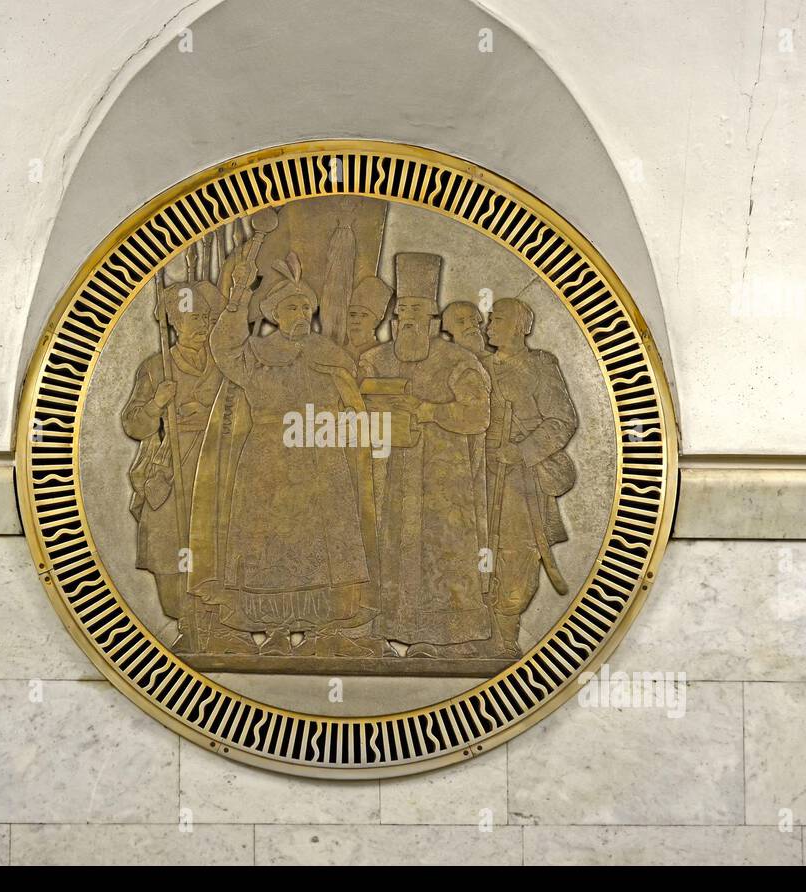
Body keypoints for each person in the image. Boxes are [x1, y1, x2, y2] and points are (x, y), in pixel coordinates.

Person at [189, 251, 377, 655]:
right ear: (274, 313)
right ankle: (272, 630)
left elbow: (352, 401)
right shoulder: (255, 356)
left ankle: (324, 633)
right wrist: (238, 298)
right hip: (267, 460)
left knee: (323, 548)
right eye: (292, 305)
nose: (301, 312)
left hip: (322, 460)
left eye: (306, 306)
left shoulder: (329, 356)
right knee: (270, 546)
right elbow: (223, 347)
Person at [359, 253, 492, 657]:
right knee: (387, 547)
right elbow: (351, 410)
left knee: (445, 550)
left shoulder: (458, 362)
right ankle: (382, 632)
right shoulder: (372, 360)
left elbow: (479, 414)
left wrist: (431, 411)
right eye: (401, 314)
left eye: (417, 314)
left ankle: (449, 639)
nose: (407, 322)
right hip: (388, 478)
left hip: (443, 483)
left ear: (434, 321)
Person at [122, 278, 224, 625]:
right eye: (194, 318)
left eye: (207, 319)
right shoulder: (155, 368)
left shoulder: (224, 364)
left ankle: (217, 622)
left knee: (217, 545)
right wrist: (156, 404)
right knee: (170, 551)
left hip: (216, 465)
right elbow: (133, 425)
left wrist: (208, 411)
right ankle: (184, 620)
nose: (202, 326)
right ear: (175, 323)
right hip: (170, 467)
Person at [482, 298, 579, 656]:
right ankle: (476, 631)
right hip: (479, 476)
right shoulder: (477, 366)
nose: (491, 324)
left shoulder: (540, 365)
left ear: (522, 326)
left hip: (523, 482)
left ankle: (505, 636)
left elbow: (561, 421)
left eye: (500, 319)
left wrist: (522, 452)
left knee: (517, 553)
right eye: (491, 318)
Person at [345, 275, 393, 359]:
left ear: (376, 322)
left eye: (364, 315)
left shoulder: (384, 356)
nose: (356, 321)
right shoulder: (337, 353)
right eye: (352, 315)